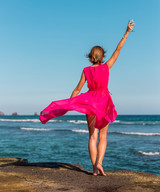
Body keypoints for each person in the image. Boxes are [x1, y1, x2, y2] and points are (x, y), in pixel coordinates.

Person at [39, 20, 135, 176]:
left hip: (90, 102)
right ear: (102, 56)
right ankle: (100, 163)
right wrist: (127, 32)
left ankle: (94, 170)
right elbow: (118, 49)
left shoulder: (86, 70)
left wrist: (69, 103)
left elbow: (77, 89)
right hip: (104, 102)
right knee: (103, 135)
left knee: (92, 135)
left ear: (90, 57)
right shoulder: (107, 66)